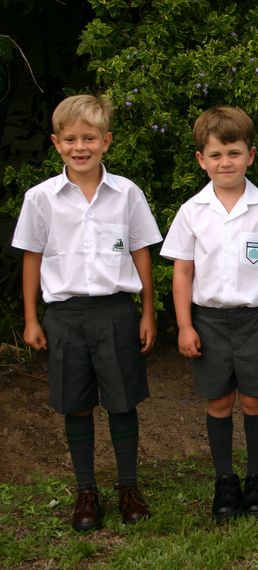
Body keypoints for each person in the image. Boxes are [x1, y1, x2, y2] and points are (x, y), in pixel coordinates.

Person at [12, 94, 162, 531]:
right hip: (64, 315)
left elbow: (141, 252)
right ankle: (86, 492)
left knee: (121, 402)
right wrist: (31, 318)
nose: (81, 147)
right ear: (57, 143)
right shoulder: (41, 198)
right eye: (72, 139)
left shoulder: (126, 193)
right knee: (76, 406)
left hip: (115, 312)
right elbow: (32, 259)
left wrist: (148, 312)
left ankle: (129, 488)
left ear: (106, 141)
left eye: (90, 138)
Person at [161, 106, 258, 522]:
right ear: (201, 159)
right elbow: (182, 272)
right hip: (209, 321)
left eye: (233, 153)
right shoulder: (192, 211)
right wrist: (184, 325)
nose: (225, 162)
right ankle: (225, 480)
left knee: (254, 399)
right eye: (216, 155)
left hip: (255, 320)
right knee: (219, 401)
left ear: (250, 155)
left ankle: (256, 478)